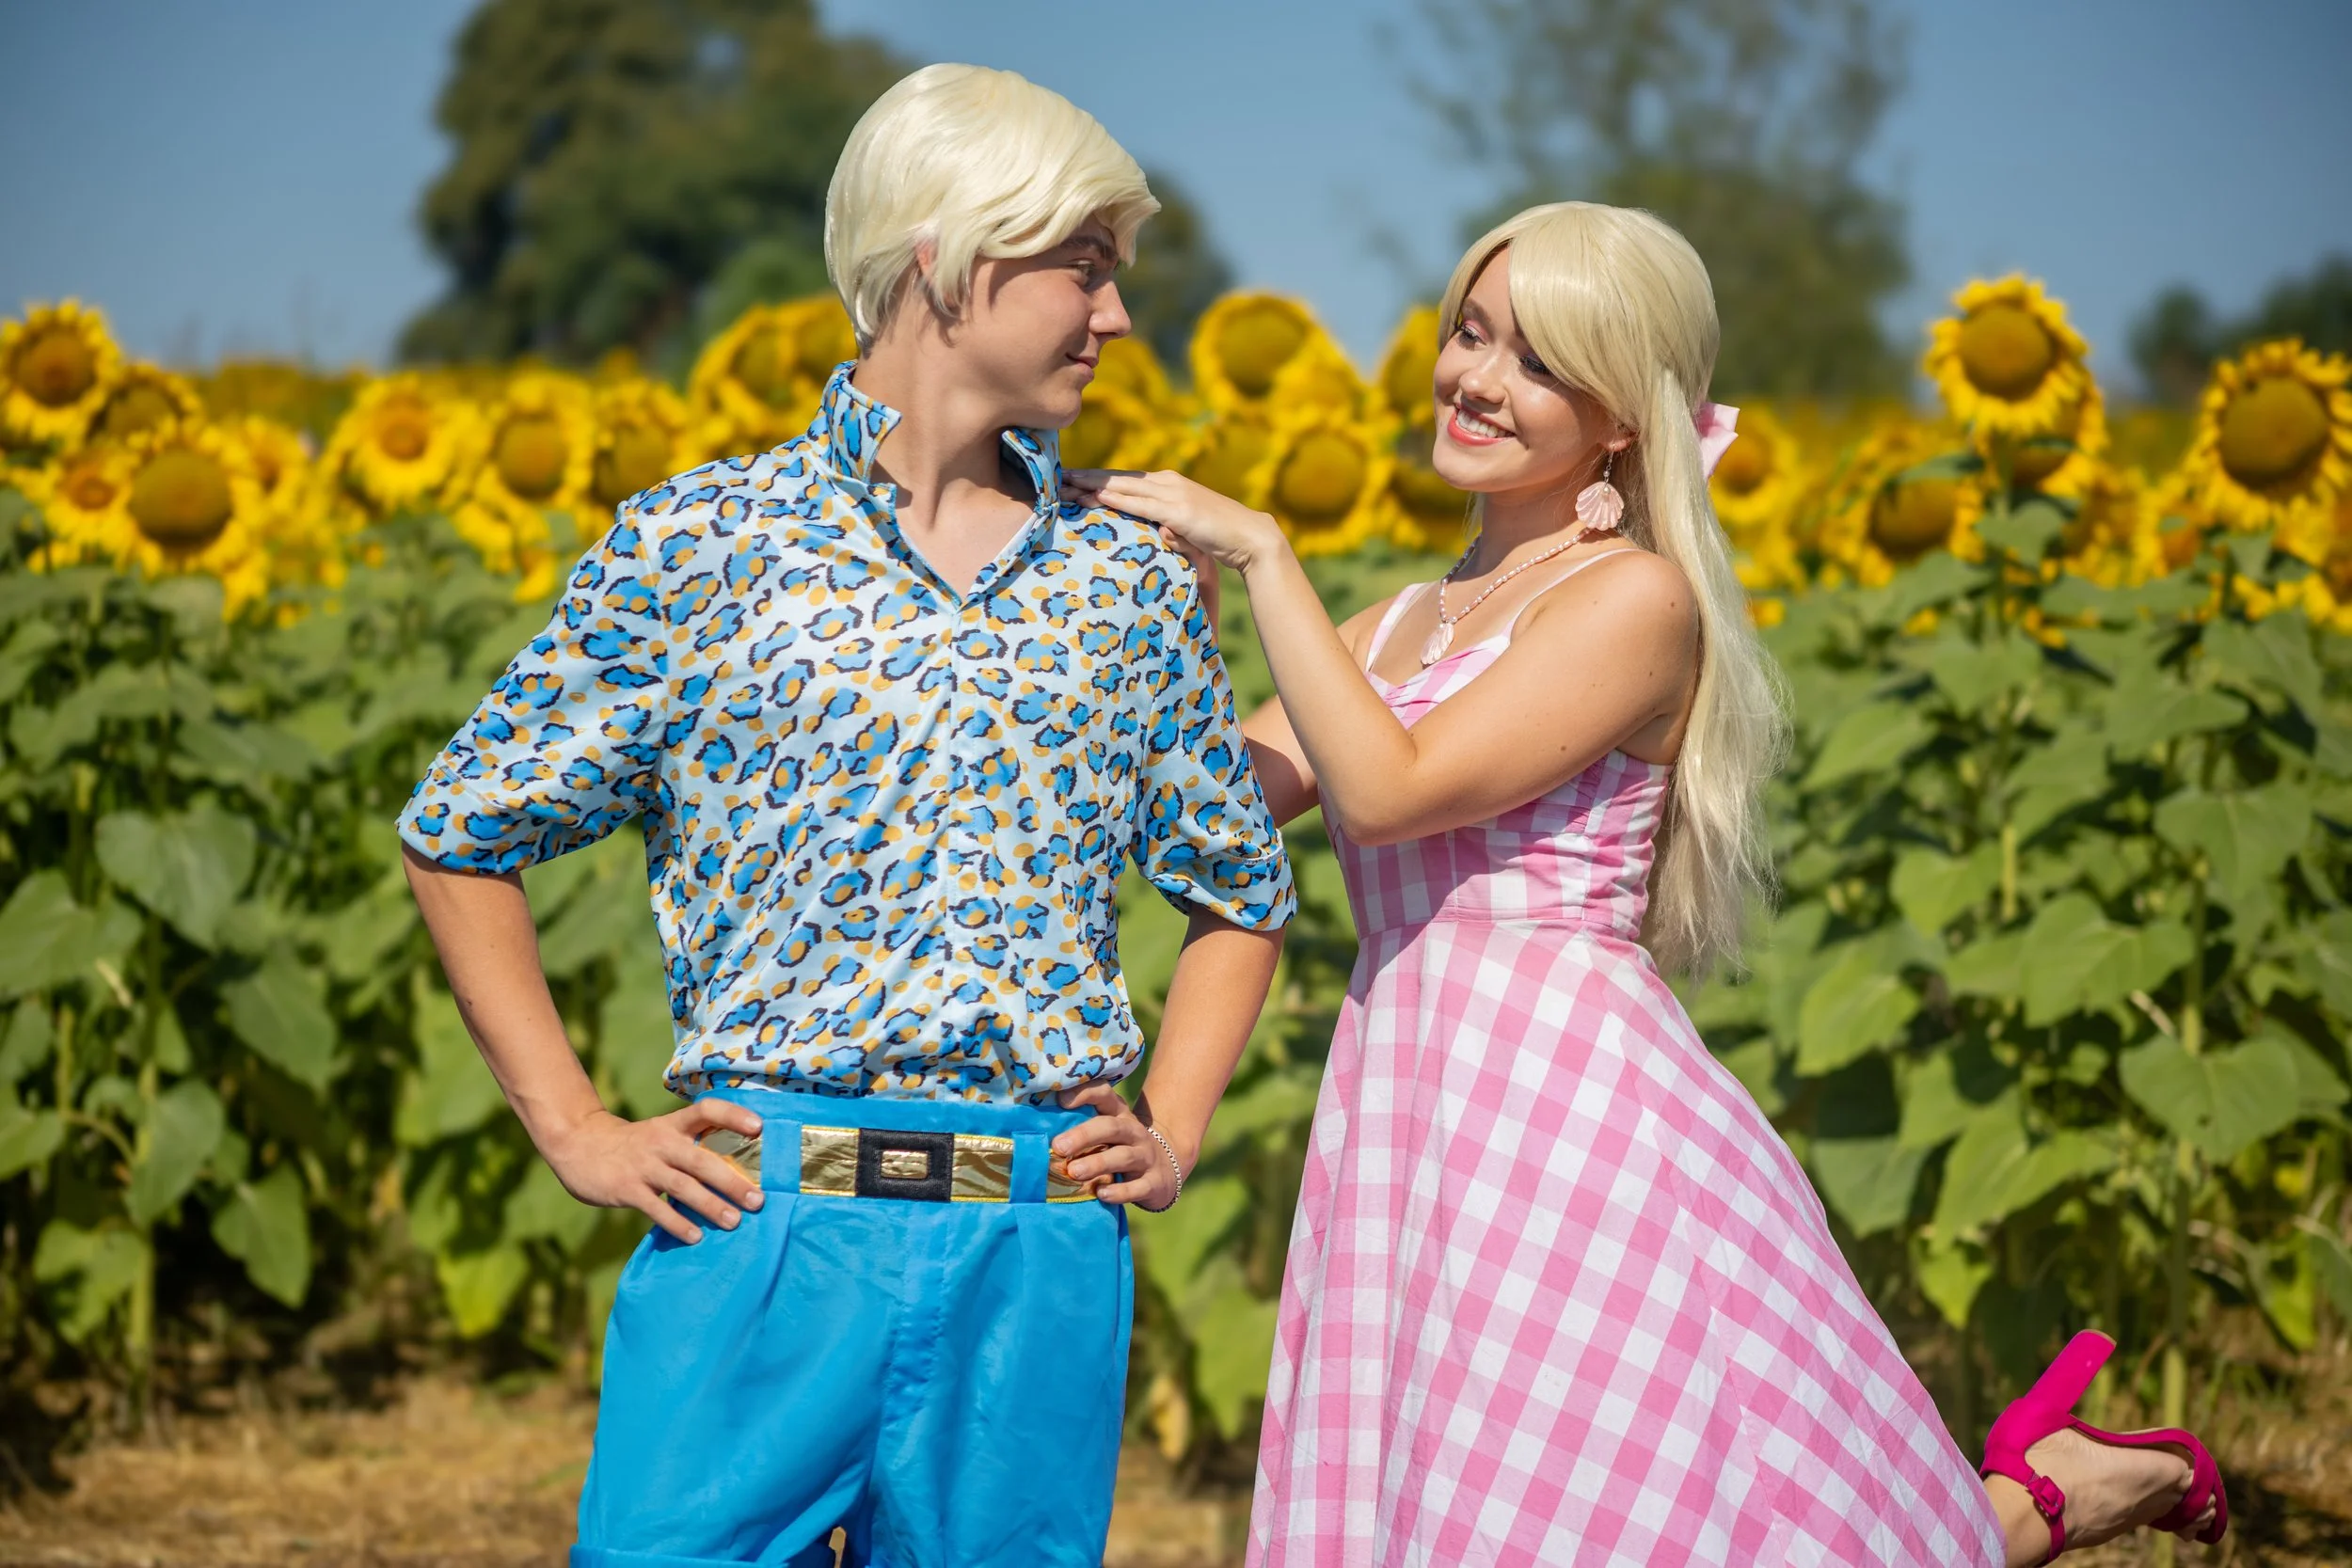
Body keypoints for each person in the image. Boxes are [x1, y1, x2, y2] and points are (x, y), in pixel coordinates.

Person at [1066, 201, 2227, 1567]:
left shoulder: (1634, 603)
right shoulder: (1398, 622)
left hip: (1565, 1101)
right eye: (1472, 331)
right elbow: (1193, 810)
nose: (1476, 378)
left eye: (1541, 361)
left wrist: (1265, 549)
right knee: (1492, 1499)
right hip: (1405, 1097)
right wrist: (1186, 622)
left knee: (1626, 1505)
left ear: (1624, 415)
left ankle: (2057, 1488)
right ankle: (2047, 1485)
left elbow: (1387, 787)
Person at [399, 64, 1293, 1568]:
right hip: (757, 1228)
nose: (1118, 315)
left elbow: (1240, 888)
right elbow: (460, 826)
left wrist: (1181, 1128)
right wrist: (571, 1124)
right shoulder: (699, 545)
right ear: (944, 258)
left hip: (1033, 1240)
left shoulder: (1128, 580)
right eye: (1083, 265)